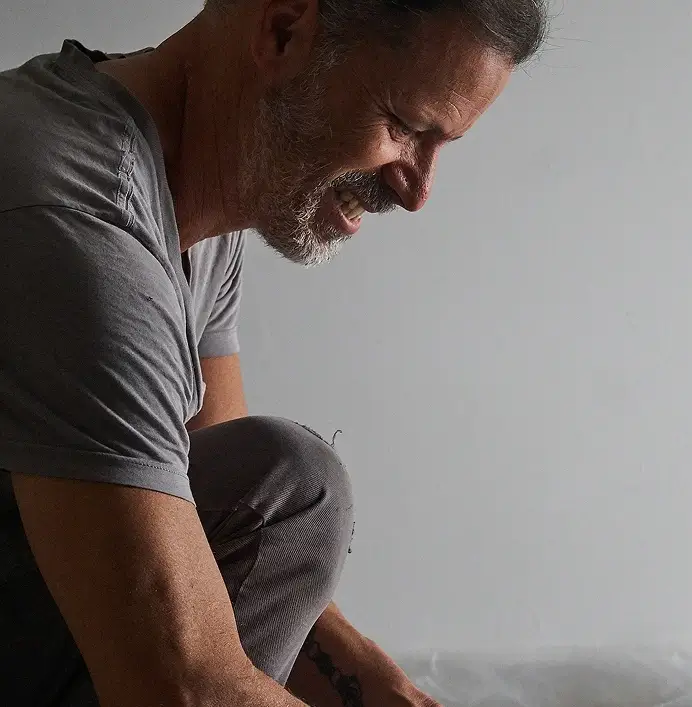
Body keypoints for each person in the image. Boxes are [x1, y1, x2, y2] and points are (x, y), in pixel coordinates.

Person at [0, 0, 548, 705]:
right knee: (299, 482)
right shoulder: (80, 225)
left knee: (287, 490)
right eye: (406, 128)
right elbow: (181, 686)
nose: (416, 191)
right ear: (283, 30)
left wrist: (378, 688)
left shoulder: (190, 192)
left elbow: (207, 529)